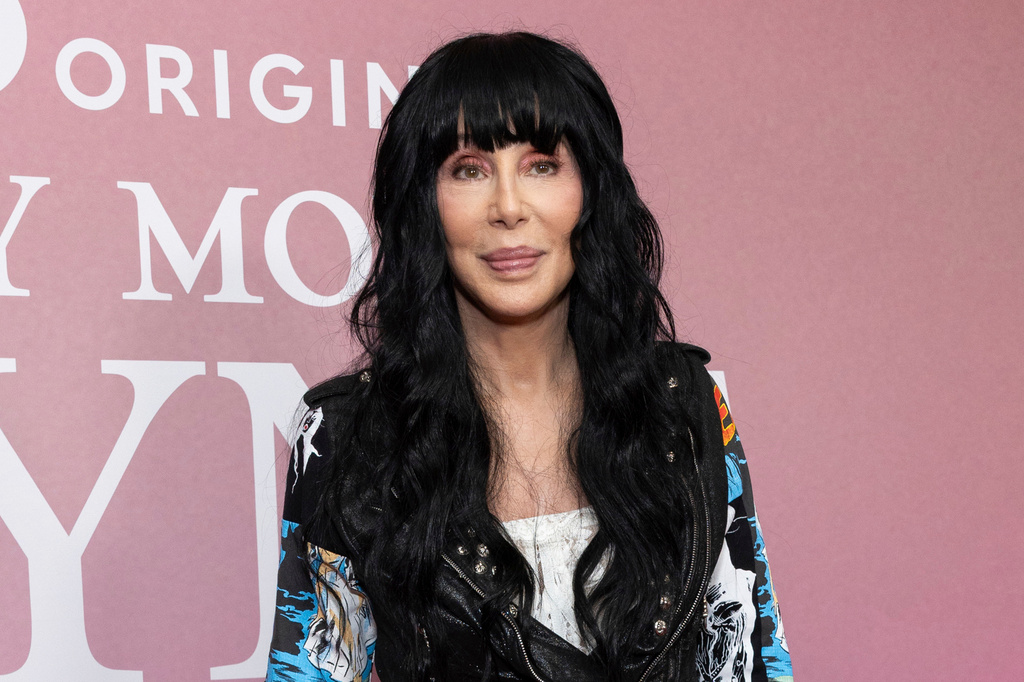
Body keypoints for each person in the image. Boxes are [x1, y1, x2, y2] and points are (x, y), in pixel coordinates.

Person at [266, 31, 791, 682]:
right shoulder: (346, 437)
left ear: (591, 193)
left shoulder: (685, 405)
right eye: (468, 169)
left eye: (541, 164)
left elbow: (749, 658)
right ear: (424, 204)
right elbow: (312, 668)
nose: (508, 207)